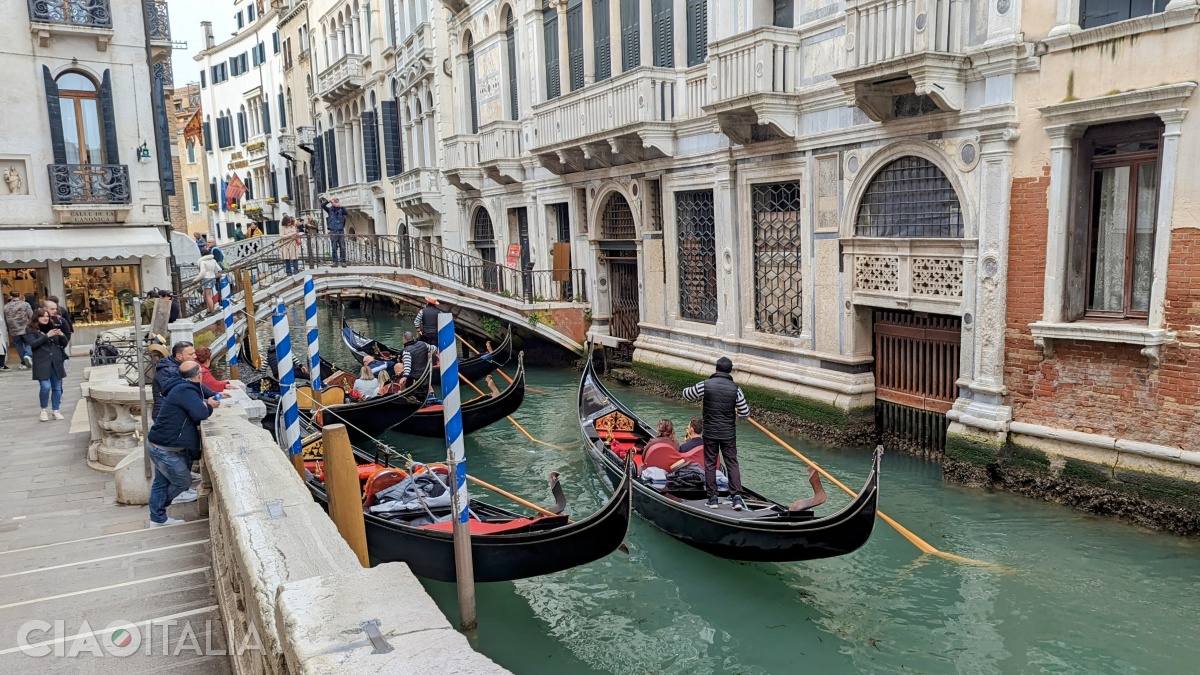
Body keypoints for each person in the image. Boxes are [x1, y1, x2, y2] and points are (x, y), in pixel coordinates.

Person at [147, 360, 220, 526]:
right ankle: (158, 511)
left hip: (157, 443)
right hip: (166, 448)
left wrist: (204, 402)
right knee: (182, 482)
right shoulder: (186, 390)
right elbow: (200, 414)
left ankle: (157, 518)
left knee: (161, 482)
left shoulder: (179, 387)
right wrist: (210, 405)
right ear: (199, 376)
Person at [682, 356, 750, 511]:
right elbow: (745, 413)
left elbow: (686, 394)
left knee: (711, 464)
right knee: (732, 462)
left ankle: (712, 499)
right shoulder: (736, 389)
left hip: (711, 432)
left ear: (716, 369)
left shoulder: (706, 385)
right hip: (728, 434)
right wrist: (735, 409)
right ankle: (737, 497)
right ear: (729, 371)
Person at [153, 341, 219, 414]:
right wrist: (206, 402)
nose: (195, 356)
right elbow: (180, 395)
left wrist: (214, 394)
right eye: (191, 354)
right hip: (166, 414)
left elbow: (194, 383)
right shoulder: (169, 371)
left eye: (194, 353)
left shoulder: (180, 366)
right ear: (179, 356)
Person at [26, 309, 68, 421]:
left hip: (56, 360)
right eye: (42, 317)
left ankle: (56, 410)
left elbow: (63, 344)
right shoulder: (31, 330)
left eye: (47, 316)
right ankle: (43, 409)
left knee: (57, 388)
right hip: (41, 361)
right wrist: (47, 336)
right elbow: (33, 344)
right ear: (36, 318)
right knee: (45, 386)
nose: (46, 319)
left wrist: (61, 335)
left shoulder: (52, 327)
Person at [4, 290, 33, 368]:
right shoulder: (25, 304)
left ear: (11, 296)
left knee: (19, 345)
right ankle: (28, 355)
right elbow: (31, 315)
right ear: (19, 295)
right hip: (25, 328)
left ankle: (23, 363)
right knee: (29, 343)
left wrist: (8, 329)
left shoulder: (6, 306)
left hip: (13, 330)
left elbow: (6, 319)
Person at [320, 197, 348, 264]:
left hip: (340, 230)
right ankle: (335, 261)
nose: (335, 203)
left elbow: (346, 213)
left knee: (343, 247)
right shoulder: (330, 210)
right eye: (334, 202)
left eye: (336, 201)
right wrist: (328, 201)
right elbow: (322, 205)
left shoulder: (341, 209)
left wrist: (341, 206)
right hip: (333, 230)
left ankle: (343, 261)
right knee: (334, 247)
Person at [197, 248, 221, 314]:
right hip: (213, 278)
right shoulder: (213, 260)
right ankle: (209, 309)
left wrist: (196, 279)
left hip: (207, 279)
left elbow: (202, 273)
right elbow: (219, 269)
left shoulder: (202, 262)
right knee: (205, 295)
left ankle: (212, 311)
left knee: (208, 296)